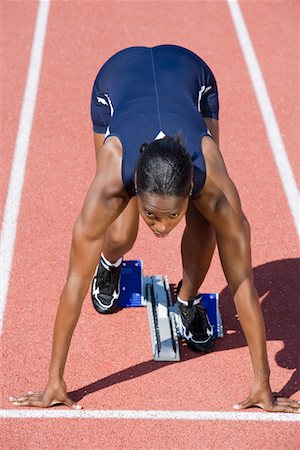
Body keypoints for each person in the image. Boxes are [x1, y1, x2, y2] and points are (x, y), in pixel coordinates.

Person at [9, 45, 299, 413]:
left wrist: (264, 384)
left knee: (207, 221)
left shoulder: (215, 191)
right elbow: (73, 284)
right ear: (133, 190)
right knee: (118, 235)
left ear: (190, 188)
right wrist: (55, 380)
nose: (161, 229)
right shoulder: (111, 183)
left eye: (172, 215)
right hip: (116, 80)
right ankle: (111, 263)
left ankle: (188, 298)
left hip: (192, 75)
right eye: (151, 214)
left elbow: (243, 282)